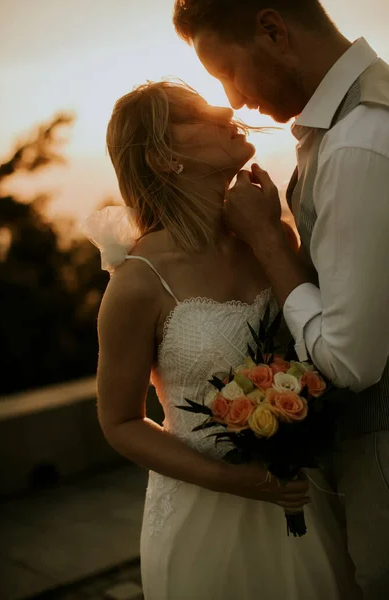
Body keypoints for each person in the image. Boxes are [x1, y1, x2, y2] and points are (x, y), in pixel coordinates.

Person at [83, 80, 360, 600]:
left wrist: (270, 236)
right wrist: (241, 482)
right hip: (206, 517)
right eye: (194, 114)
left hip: (308, 495)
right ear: (165, 159)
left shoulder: (271, 238)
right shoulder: (139, 280)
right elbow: (118, 421)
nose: (224, 107)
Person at [172, 1, 389, 598]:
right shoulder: (367, 113)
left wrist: (268, 240)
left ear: (272, 30)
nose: (234, 100)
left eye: (228, 71)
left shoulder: (357, 141)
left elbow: (350, 361)